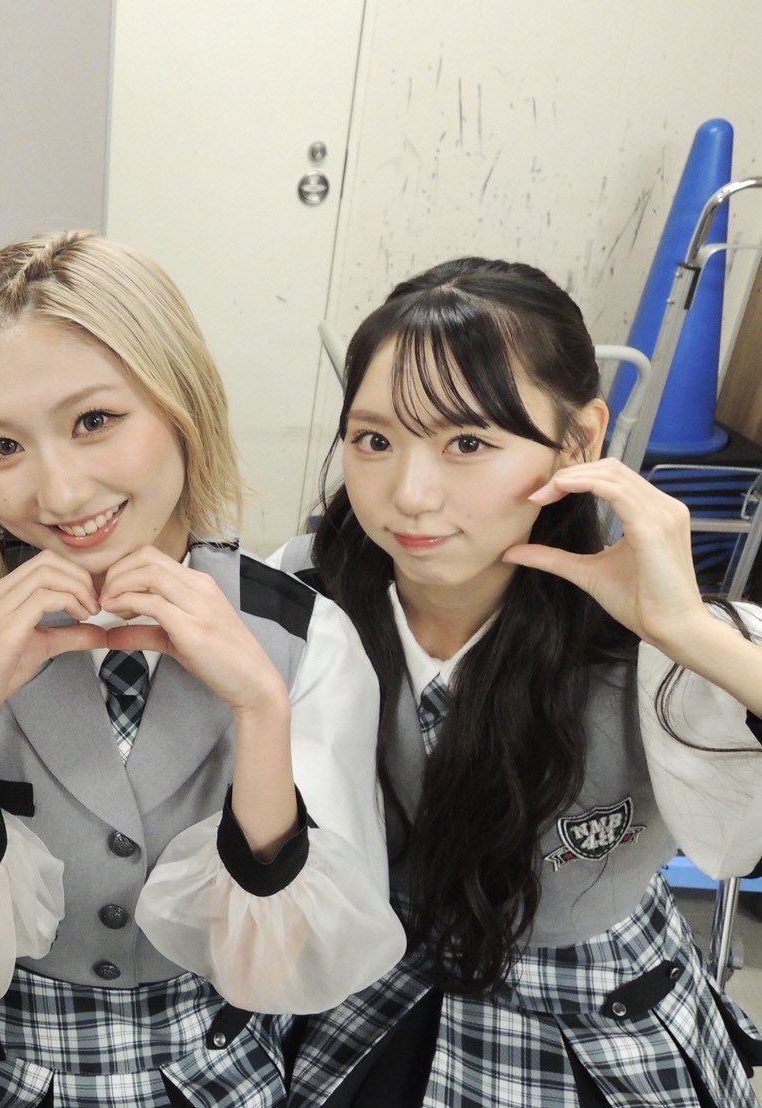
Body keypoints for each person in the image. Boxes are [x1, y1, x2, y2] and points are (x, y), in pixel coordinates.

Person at [0, 231, 406, 1106]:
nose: (60, 493)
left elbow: (290, 965)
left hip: (210, 1072)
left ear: (180, 400)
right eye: (1, 447)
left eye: (94, 421)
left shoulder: (301, 633)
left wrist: (260, 706)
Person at [273, 257, 762, 1106]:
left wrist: (687, 632)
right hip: (362, 991)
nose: (409, 496)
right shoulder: (304, 592)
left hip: (594, 1016)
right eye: (374, 440)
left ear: (577, 441)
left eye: (467, 443)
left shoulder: (660, 634)